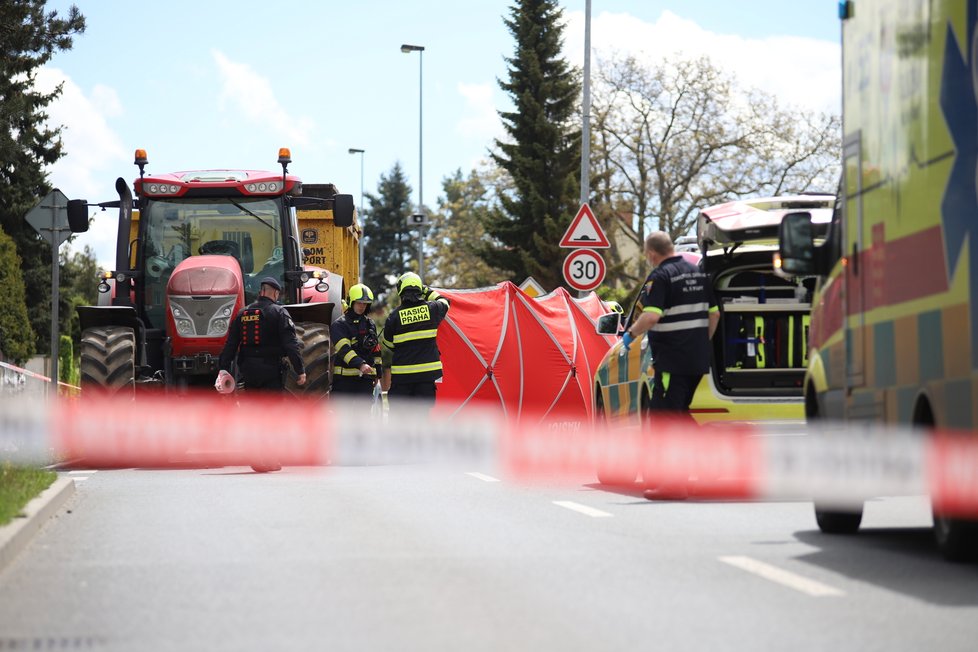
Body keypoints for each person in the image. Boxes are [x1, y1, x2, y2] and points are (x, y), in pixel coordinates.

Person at [621, 232, 719, 500]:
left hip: (671, 362)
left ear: (652, 253)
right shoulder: (698, 274)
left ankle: (674, 483)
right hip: (697, 361)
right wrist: (701, 342)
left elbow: (651, 316)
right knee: (678, 415)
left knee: (664, 420)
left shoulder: (660, 276)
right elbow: (715, 314)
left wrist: (630, 333)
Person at [218, 276, 306, 473]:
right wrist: (300, 370)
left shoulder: (242, 314)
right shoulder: (279, 312)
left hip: (248, 372)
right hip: (270, 372)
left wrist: (223, 369)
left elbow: (231, 345)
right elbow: (291, 345)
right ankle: (269, 457)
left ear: (261, 291)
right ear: (274, 293)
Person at [381, 272, 450, 410]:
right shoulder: (432, 309)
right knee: (421, 419)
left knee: (400, 419)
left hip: (402, 379)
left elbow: (388, 343)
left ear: (401, 291)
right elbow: (445, 302)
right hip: (426, 378)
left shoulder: (393, 317)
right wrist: (427, 291)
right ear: (419, 289)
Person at [330, 283, 382, 396]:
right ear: (351, 302)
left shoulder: (370, 324)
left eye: (365, 304)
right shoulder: (339, 325)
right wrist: (361, 365)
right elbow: (344, 349)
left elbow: (376, 350)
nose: (362, 306)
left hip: (365, 379)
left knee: (363, 413)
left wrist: (378, 373)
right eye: (359, 303)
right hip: (344, 381)